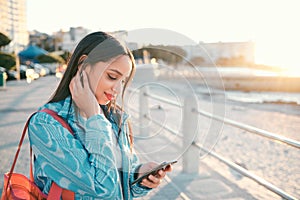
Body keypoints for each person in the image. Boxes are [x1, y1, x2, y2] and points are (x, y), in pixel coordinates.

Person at [28, 31, 172, 199]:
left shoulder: (115, 118)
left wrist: (138, 176)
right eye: (112, 77)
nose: (117, 90)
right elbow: (105, 189)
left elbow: (120, 188)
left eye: (123, 81)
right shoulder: (46, 124)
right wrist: (93, 117)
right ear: (83, 65)